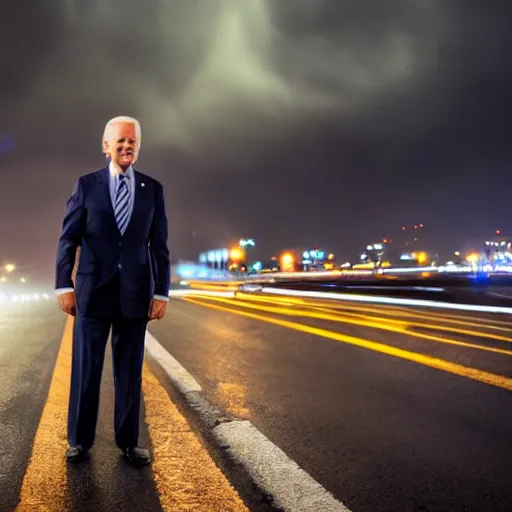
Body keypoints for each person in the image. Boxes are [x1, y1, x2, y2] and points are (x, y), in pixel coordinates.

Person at [55, 116, 170, 467]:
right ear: (106, 146)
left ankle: (128, 442)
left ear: (138, 146)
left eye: (132, 142)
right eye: (119, 141)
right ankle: (80, 440)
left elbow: (159, 246)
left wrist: (161, 293)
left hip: (136, 295)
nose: (126, 147)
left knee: (129, 371)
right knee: (87, 369)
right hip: (93, 291)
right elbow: (68, 238)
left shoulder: (153, 189)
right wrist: (64, 284)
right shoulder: (86, 185)